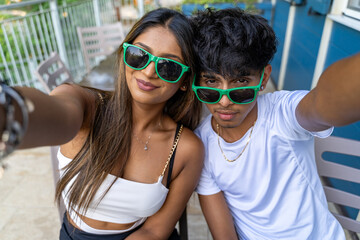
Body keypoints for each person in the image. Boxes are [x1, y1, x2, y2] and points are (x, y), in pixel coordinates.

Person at [0, 8, 204, 240]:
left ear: (185, 81)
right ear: (124, 53)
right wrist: (7, 111)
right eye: (139, 55)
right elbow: (56, 113)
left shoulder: (187, 148)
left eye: (169, 67)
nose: (148, 72)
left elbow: (154, 230)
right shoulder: (88, 107)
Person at [190, 8, 360, 240]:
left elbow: (324, 103)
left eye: (240, 82)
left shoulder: (283, 114)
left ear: (264, 79)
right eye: (211, 82)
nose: (225, 100)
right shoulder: (200, 145)